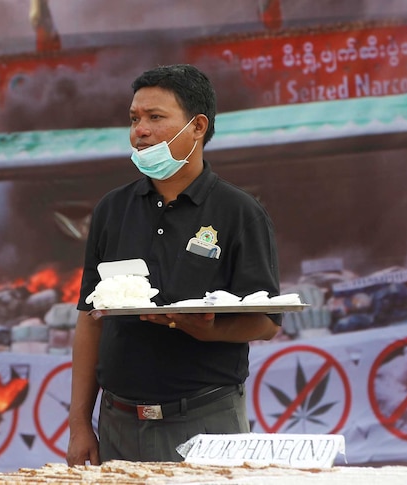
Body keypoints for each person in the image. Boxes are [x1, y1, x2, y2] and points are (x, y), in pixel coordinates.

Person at [67, 64, 282, 465]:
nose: (139, 131)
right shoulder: (112, 210)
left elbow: (268, 321)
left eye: (155, 118)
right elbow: (89, 319)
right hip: (118, 423)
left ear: (197, 127)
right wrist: (80, 423)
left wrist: (209, 331)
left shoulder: (239, 212)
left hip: (206, 419)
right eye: (134, 119)